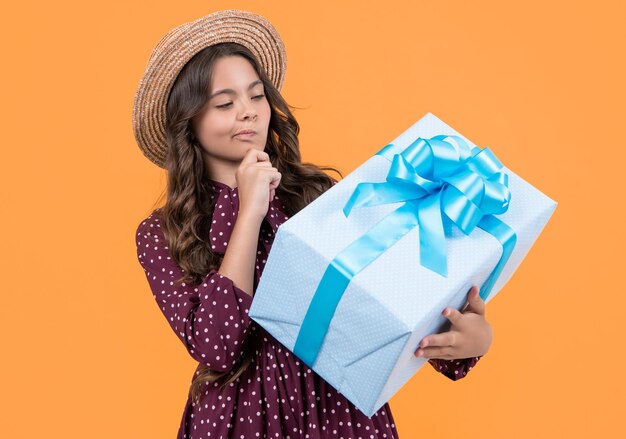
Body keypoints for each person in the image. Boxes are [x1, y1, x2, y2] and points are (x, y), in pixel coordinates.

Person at [132, 9, 493, 439]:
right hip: (242, 421)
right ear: (188, 122)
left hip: (341, 413)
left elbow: (383, 307)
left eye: (256, 95)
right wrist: (248, 212)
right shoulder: (161, 232)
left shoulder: (318, 196)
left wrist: (465, 342)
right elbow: (217, 346)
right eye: (225, 103)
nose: (248, 113)